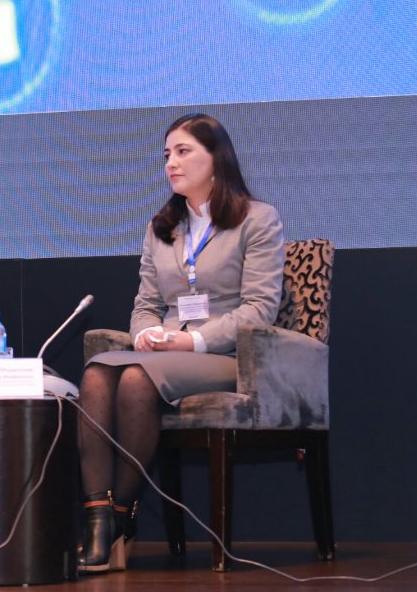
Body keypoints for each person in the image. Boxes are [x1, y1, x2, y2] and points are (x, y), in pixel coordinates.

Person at [77, 114, 284, 574]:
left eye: (184, 151)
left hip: (225, 354)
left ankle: (121, 515)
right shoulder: (162, 227)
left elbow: (259, 309)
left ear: (216, 158)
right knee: (97, 372)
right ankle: (98, 519)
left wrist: (192, 341)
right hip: (166, 353)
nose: (171, 162)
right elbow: (146, 304)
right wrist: (145, 333)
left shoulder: (257, 219)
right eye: (167, 154)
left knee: (135, 378)